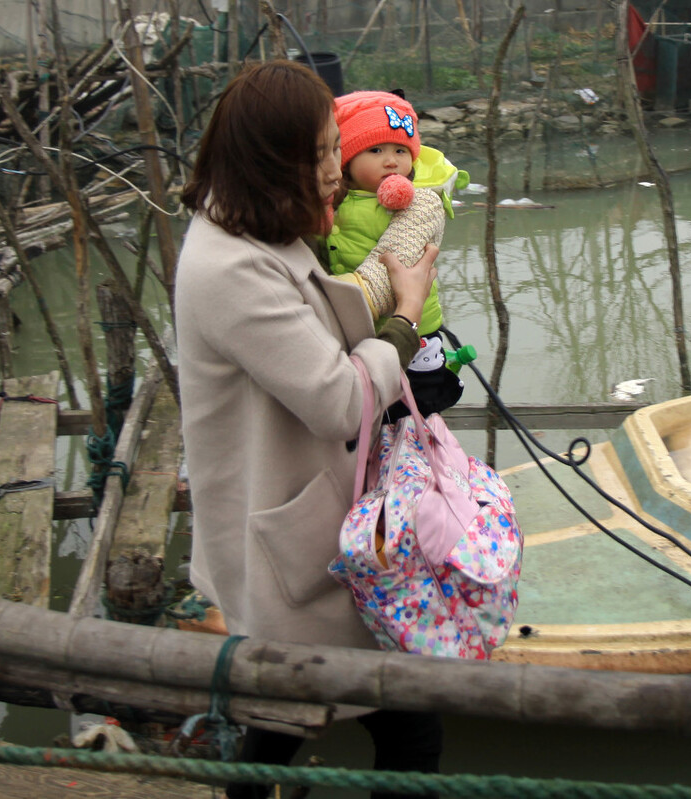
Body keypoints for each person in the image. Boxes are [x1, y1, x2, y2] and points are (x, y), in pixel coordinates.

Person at [174, 60, 444, 799]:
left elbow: (317, 325)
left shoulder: (257, 227)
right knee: (407, 718)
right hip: (283, 534)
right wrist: (405, 318)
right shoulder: (228, 267)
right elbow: (335, 398)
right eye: (323, 152)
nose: (337, 169)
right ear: (272, 160)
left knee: (284, 716)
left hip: (304, 521)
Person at [326, 90, 468, 418]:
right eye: (375, 150)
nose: (391, 160)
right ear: (346, 159)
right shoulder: (335, 201)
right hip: (363, 326)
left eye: (401, 151)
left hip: (411, 322)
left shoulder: (411, 202)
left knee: (410, 408)